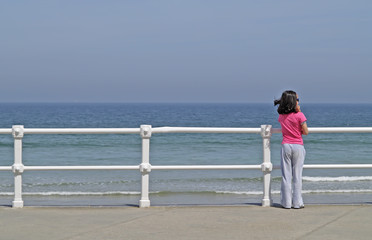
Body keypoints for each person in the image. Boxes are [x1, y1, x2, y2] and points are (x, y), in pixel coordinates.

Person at [274, 90, 308, 209]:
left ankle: (286, 202)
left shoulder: (281, 116)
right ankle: (297, 203)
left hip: (286, 145)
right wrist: (299, 112)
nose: (299, 102)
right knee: (297, 176)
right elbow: (306, 132)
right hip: (298, 146)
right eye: (297, 100)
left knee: (286, 175)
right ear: (293, 102)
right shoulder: (300, 115)